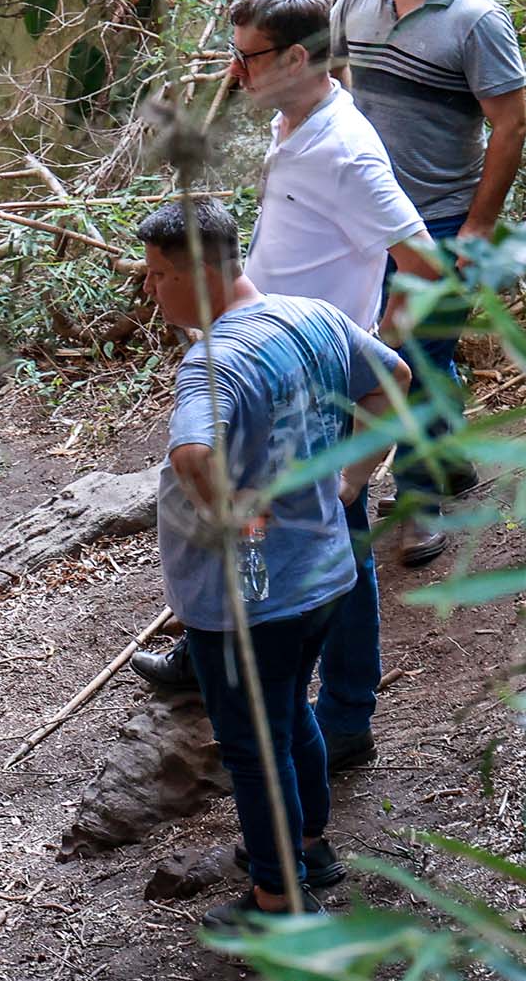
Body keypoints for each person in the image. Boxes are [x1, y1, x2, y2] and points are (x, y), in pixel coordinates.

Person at [133, 0, 437, 778]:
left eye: (246, 58)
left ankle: (344, 715)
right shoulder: (294, 120)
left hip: (316, 370)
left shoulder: (345, 152)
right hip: (263, 353)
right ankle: (216, 657)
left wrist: (366, 344)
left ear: (298, 57)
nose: (233, 73)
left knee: (341, 534)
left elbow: (426, 265)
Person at [133, 198, 409, 929]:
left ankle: (279, 901)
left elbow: (194, 451)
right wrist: (354, 477)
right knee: (291, 716)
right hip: (324, 571)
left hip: (254, 597)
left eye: (159, 274)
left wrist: (232, 516)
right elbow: (395, 379)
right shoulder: (311, 317)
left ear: (198, 273)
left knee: (255, 749)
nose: (150, 288)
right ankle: (308, 849)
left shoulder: (212, 364)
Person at [331, 0, 526, 565]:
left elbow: (509, 127)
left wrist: (477, 229)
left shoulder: (476, 20)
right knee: (378, 352)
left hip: (438, 220)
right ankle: (447, 457)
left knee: (417, 357)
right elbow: (331, 77)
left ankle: (417, 499)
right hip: (364, 222)